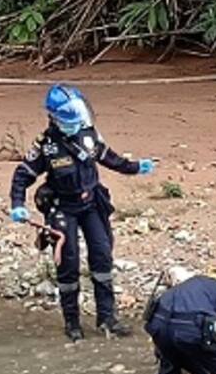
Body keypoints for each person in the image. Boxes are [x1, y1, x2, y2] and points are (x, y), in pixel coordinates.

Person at [10, 84, 155, 341]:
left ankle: (107, 319)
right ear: (54, 117)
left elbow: (110, 158)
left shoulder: (88, 135)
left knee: (102, 257)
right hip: (63, 208)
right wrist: (18, 204)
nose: (76, 121)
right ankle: (72, 323)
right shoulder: (46, 146)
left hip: (91, 205)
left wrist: (135, 168)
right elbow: (23, 175)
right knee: (69, 263)